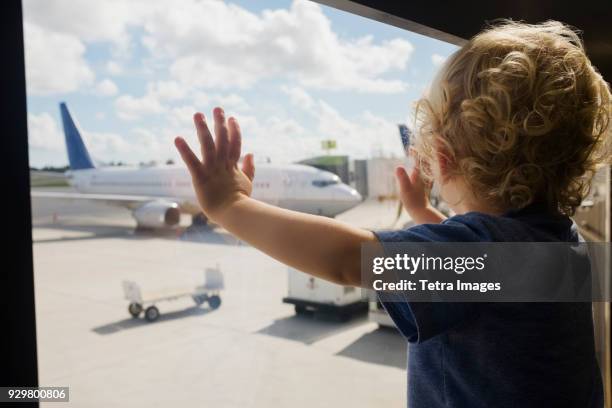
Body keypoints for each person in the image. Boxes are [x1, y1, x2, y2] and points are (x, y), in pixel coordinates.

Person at [174, 20, 610, 408]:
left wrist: (230, 206)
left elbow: (347, 259)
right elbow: (489, 273)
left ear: (440, 157)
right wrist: (422, 212)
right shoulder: (562, 240)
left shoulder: (489, 254)